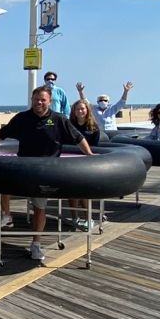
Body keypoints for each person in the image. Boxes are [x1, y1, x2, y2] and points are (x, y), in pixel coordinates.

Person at [0, 85, 94, 262]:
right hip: (23, 168)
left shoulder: (58, 119)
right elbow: (1, 134)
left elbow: (78, 138)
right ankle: (6, 216)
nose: (39, 102)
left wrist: (90, 156)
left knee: (39, 207)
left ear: (49, 101)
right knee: (1, 181)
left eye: (43, 99)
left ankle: (36, 244)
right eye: (36, 99)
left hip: (46, 172)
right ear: (31, 100)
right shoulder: (22, 118)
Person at [66, 98, 106, 230]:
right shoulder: (69, 125)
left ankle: (88, 217)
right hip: (71, 162)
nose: (80, 111)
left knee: (83, 191)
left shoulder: (93, 127)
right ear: (74, 111)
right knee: (71, 191)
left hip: (86, 163)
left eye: (83, 108)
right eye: (78, 109)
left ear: (87, 110)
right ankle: (74, 217)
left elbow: (94, 147)